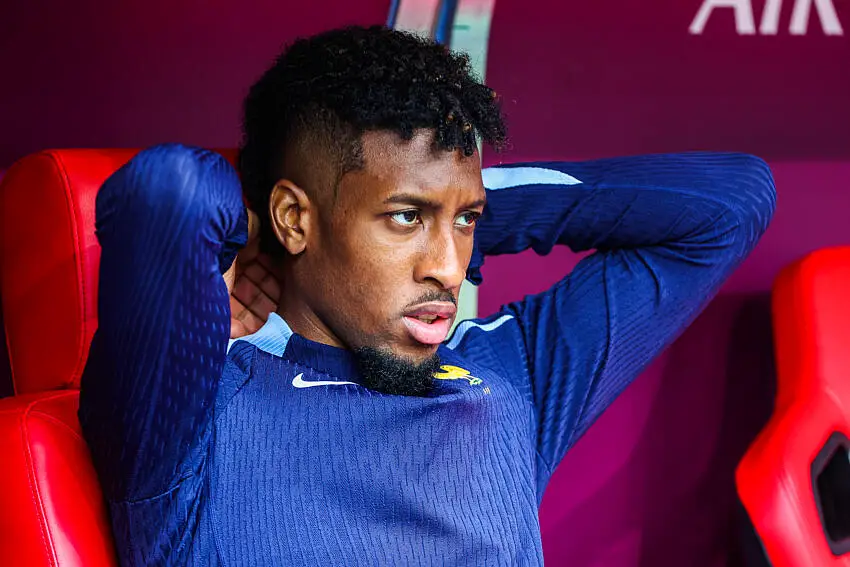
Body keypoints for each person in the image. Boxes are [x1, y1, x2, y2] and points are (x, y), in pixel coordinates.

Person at [78, 25, 776, 567]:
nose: (448, 268)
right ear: (295, 219)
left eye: (466, 221)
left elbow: (733, 203)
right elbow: (170, 194)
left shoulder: (510, 374)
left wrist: (455, 204)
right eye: (405, 217)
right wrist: (256, 233)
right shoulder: (195, 415)